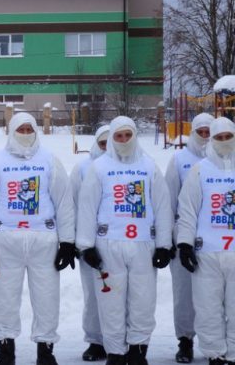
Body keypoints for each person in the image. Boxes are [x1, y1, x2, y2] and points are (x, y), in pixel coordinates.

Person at [0, 112, 75, 365]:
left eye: (30, 129)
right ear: (11, 131)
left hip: (44, 240)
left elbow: (63, 202)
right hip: (6, 240)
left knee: (47, 296)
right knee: (4, 297)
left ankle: (46, 349)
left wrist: (68, 242)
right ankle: (5, 349)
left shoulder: (49, 161)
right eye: (21, 129)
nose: (26, 134)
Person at [76, 116, 173, 365]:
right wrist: (86, 246)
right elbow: (87, 208)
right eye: (118, 136)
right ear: (111, 140)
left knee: (143, 300)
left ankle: (138, 349)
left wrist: (163, 244)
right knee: (111, 303)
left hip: (143, 245)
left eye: (127, 135)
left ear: (135, 136)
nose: (123, 140)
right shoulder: (99, 168)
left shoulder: (149, 167)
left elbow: (162, 207)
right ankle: (115, 352)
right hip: (109, 244)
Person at [176, 117, 235, 365]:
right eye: (218, 138)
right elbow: (187, 209)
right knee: (208, 307)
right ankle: (215, 354)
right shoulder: (199, 170)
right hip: (207, 251)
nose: (223, 142)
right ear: (211, 139)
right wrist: (185, 244)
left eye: (228, 137)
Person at [165, 113, 214, 363]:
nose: (205, 137)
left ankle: (217, 341)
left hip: (215, 239)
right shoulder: (179, 161)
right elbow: (167, 201)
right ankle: (185, 340)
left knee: (214, 295)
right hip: (183, 236)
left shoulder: (226, 160)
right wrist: (168, 238)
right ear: (193, 133)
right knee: (184, 293)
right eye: (201, 132)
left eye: (209, 132)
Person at [69, 125, 110, 361]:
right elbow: (72, 204)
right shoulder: (83, 168)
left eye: (110, 143)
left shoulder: (134, 166)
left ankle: (121, 338)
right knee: (94, 295)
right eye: (102, 144)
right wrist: (76, 242)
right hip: (90, 244)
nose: (106, 148)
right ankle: (96, 341)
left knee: (121, 294)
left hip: (121, 240)